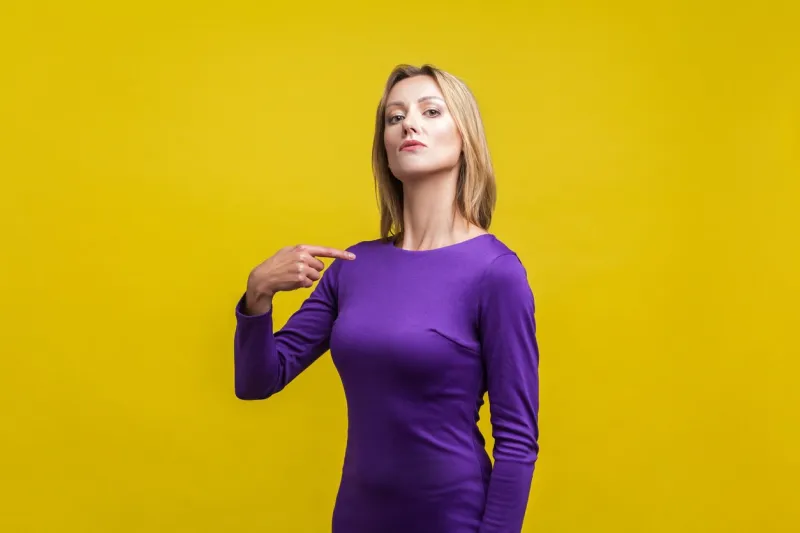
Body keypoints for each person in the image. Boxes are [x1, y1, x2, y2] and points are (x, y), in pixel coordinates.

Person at [233, 64, 540, 533]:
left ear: (465, 137)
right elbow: (258, 380)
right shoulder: (354, 266)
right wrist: (258, 292)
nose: (409, 124)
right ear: (386, 150)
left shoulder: (495, 272)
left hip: (452, 520)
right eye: (395, 117)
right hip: (357, 517)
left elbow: (517, 441)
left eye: (430, 111)